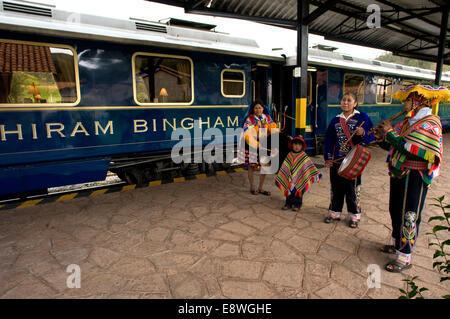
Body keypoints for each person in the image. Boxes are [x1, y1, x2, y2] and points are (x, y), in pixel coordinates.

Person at [372, 84, 449, 273]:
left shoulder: (430, 123)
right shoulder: (408, 122)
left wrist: (389, 133)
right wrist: (382, 137)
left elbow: (413, 151)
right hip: (399, 173)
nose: (404, 103)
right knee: (395, 209)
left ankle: (405, 256)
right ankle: (397, 243)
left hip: (415, 176)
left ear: (419, 101)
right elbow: (395, 146)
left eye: (407, 100)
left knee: (410, 214)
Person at [323, 92, 374, 228]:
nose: (345, 102)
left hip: (354, 161)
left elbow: (371, 135)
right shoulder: (335, 120)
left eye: (349, 100)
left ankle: (354, 215)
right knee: (336, 187)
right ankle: (335, 212)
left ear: (355, 103)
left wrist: (363, 132)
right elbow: (328, 140)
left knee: (352, 189)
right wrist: (328, 158)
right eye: (343, 100)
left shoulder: (362, 118)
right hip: (337, 160)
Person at [238, 100, 278, 195]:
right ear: (253, 109)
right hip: (251, 145)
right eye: (256, 108)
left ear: (263, 108)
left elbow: (272, 129)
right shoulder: (250, 119)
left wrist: (274, 141)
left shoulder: (266, 118)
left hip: (263, 145)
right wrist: (256, 144)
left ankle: (261, 188)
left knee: (264, 167)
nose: (258, 110)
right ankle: (252, 187)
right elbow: (247, 134)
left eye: (260, 107)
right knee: (251, 167)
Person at [275, 136, 322, 212]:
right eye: (295, 144)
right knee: (289, 189)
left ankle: (297, 204)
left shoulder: (303, 156)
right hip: (290, 179)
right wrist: (283, 174)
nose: (297, 146)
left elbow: (309, 166)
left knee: (299, 190)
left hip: (300, 178)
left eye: (299, 145)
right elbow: (285, 166)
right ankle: (288, 203)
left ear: (302, 146)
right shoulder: (289, 155)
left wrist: (315, 174)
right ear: (292, 145)